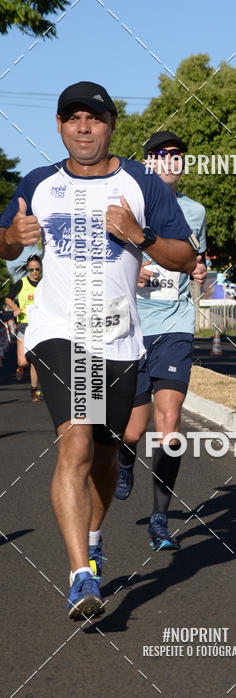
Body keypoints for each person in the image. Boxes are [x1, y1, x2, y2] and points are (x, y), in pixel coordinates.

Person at [0, 81, 197, 620]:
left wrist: (140, 235)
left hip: (121, 339)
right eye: (72, 118)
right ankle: (80, 575)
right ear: (60, 126)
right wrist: (13, 239)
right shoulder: (38, 184)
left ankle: (92, 538)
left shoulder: (142, 184)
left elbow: (184, 256)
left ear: (112, 125)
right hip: (61, 332)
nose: (83, 127)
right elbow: (3, 241)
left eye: (95, 118)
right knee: (78, 442)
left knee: (107, 459)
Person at [115, 131, 207, 552]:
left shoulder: (195, 212)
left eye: (177, 154)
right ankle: (123, 459)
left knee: (168, 423)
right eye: (160, 155)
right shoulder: (126, 206)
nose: (171, 160)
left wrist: (200, 275)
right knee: (132, 430)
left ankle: (159, 519)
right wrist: (130, 275)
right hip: (129, 326)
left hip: (174, 324)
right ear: (148, 162)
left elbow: (195, 263)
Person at [5, 253, 43, 399]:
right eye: (31, 269)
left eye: (37, 269)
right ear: (28, 269)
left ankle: (34, 390)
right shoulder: (22, 283)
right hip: (24, 325)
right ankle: (21, 367)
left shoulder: (44, 285)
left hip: (39, 326)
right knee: (23, 361)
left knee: (35, 359)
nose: (34, 272)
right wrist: (15, 308)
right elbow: (8, 298)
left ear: (40, 269)